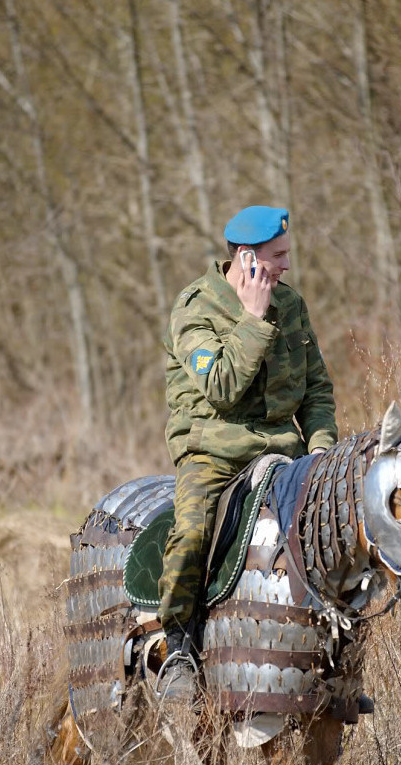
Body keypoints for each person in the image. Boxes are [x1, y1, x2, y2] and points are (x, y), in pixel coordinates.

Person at [157, 206, 338, 699]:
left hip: (285, 451)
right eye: (277, 256)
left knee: (338, 527)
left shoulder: (292, 304)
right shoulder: (195, 307)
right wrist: (254, 319)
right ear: (246, 257)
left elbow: (317, 391)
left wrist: (321, 450)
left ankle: (330, 658)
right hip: (213, 452)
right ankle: (179, 645)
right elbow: (221, 387)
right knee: (193, 528)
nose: (285, 266)